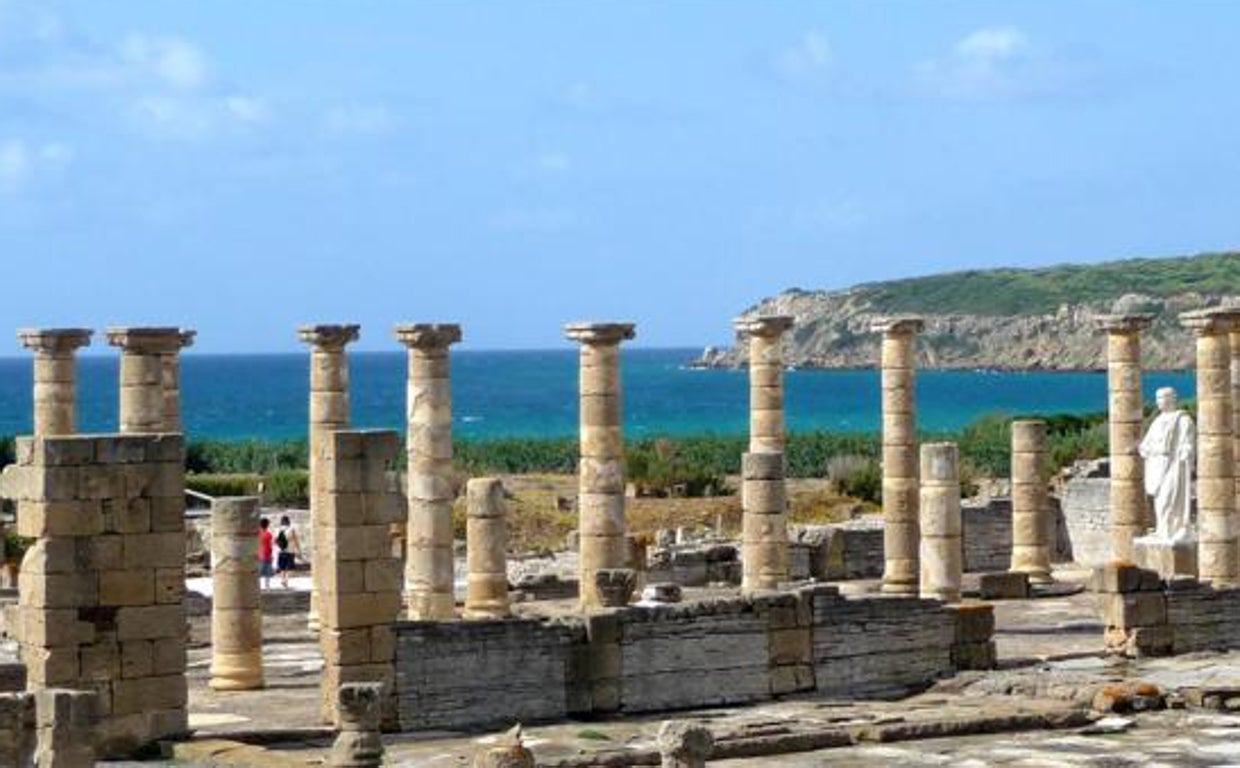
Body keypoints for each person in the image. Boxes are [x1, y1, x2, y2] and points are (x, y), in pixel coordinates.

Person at [1138, 387, 1195, 543]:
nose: (1158, 401)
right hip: (1157, 465)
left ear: (1171, 399)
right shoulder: (1157, 421)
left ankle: (1174, 529)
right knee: (1159, 501)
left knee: (1169, 498)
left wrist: (1186, 451)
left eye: (1161, 397)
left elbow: (1188, 441)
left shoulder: (1183, 419)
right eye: (1157, 398)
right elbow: (1146, 444)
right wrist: (1145, 450)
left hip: (1174, 464)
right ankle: (1163, 530)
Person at [275, 514, 302, 589]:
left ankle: (282, 579)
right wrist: (299, 550)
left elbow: (275, 541)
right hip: (290, 551)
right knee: (290, 567)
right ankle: (286, 580)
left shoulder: (277, 529)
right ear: (288, 521)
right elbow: (296, 540)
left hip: (280, 551)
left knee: (282, 567)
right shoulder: (291, 529)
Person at [258, 517, 274, 590]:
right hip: (267, 554)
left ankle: (258, 586)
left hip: (259, 555)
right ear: (267, 525)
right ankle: (267, 586)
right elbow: (271, 545)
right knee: (267, 572)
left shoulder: (257, 534)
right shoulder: (269, 534)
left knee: (258, 571)